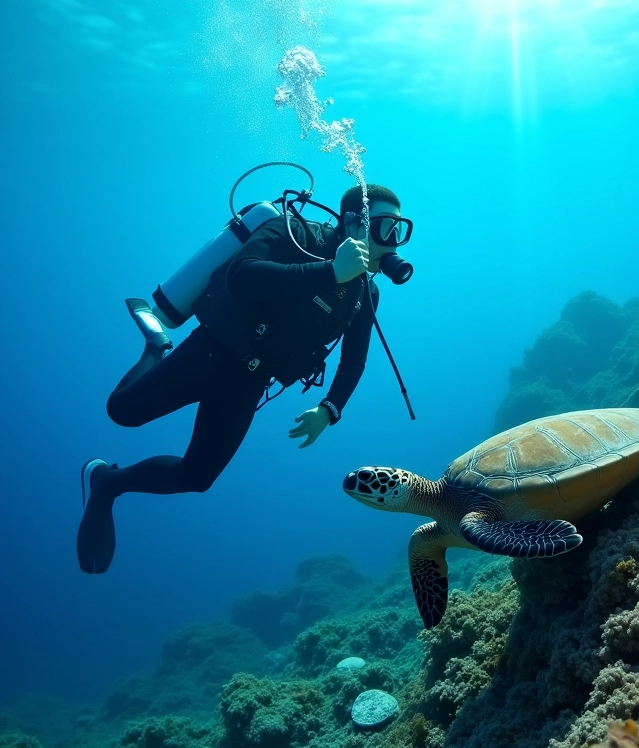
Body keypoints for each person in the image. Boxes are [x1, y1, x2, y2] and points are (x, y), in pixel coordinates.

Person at [77, 183, 413, 574]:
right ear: (354, 223)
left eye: (401, 230)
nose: (393, 242)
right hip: (211, 351)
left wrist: (329, 409)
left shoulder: (366, 293)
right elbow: (242, 276)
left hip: (250, 382)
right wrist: (331, 271)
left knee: (198, 477)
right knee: (122, 412)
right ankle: (156, 345)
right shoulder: (296, 232)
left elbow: (354, 361)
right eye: (385, 228)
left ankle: (107, 483)